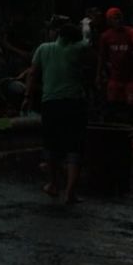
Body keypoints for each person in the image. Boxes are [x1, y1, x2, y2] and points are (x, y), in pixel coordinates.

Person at [24, 19, 90, 205]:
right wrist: (86, 23)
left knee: (51, 145)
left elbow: (32, 73)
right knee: (74, 148)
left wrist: (27, 97)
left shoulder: (43, 48)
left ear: (58, 35)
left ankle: (53, 184)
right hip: (74, 103)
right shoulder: (77, 49)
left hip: (51, 103)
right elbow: (88, 38)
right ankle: (70, 192)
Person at [97, 7, 133, 125]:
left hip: (131, 77)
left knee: (132, 107)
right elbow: (102, 57)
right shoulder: (106, 36)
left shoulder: (131, 32)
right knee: (113, 106)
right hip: (115, 77)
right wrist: (98, 75)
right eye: (114, 18)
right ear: (109, 21)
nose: (117, 21)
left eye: (119, 18)